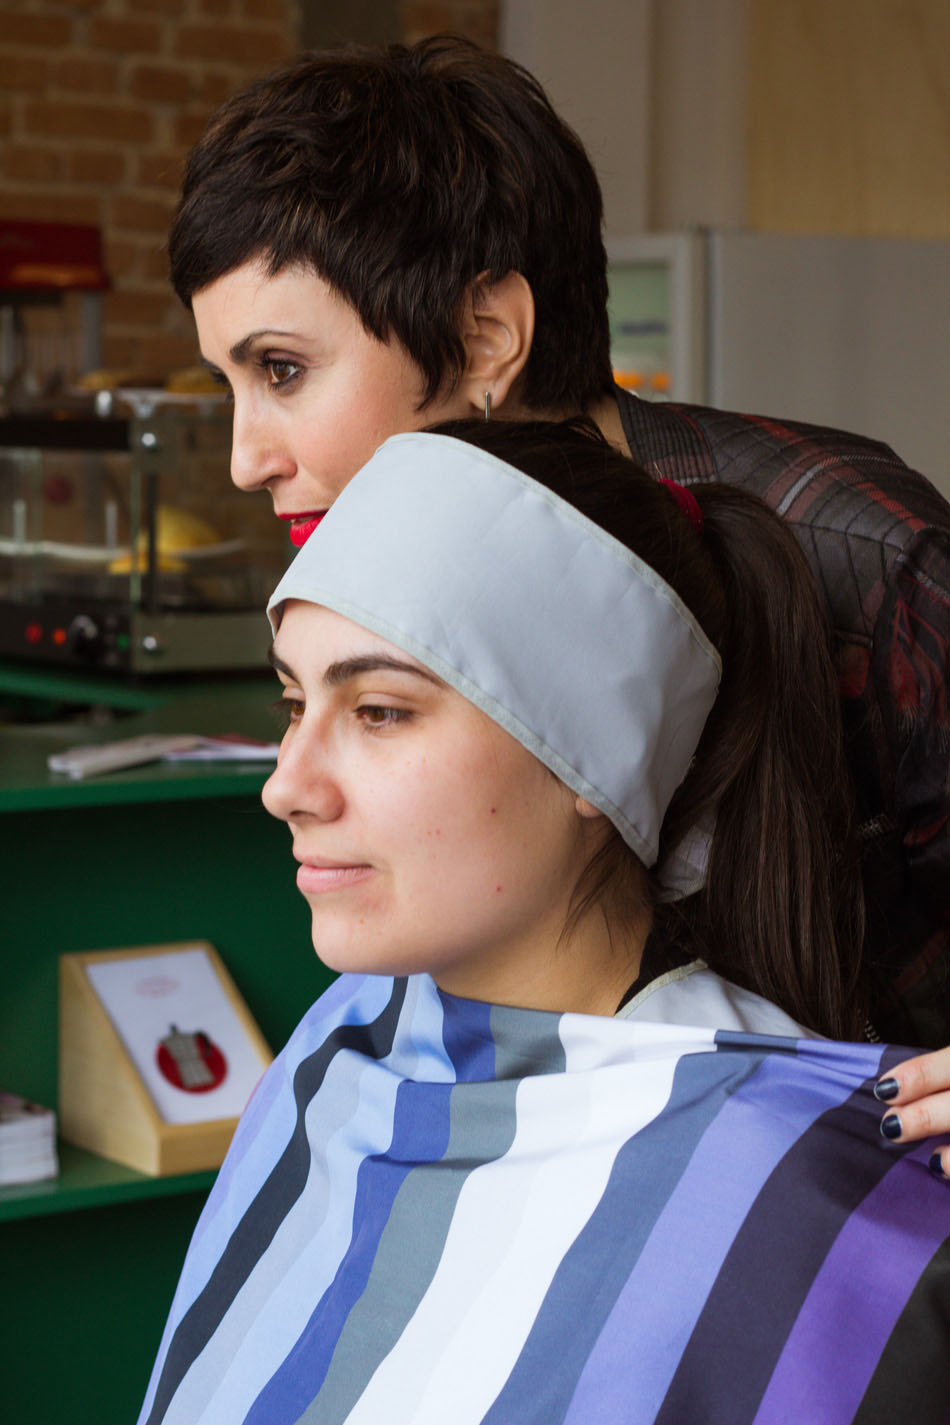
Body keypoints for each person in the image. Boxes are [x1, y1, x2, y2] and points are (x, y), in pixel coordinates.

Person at [167, 39, 950, 1145]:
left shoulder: (871, 559)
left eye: (282, 371)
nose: (247, 459)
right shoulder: (389, 589)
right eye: (228, 385)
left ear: (486, 337)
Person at [138, 423, 949, 1425]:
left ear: (591, 754)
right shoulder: (334, 1047)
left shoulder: (780, 1181)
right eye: (292, 703)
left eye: (379, 711)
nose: (285, 786)